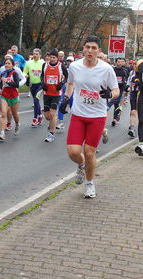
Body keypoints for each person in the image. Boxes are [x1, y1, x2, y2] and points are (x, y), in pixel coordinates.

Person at [59, 35, 118, 198]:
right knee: (73, 152)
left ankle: (90, 184)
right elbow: (70, 83)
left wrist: (110, 94)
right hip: (78, 114)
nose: (90, 50)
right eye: (87, 47)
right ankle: (82, 164)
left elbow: (116, 90)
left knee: (90, 151)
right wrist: (66, 98)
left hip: (97, 116)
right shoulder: (75, 67)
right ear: (83, 49)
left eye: (94, 48)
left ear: (99, 51)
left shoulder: (106, 69)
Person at [41, 49, 68, 142]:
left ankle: (51, 135)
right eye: (51, 57)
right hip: (46, 93)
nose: (52, 59)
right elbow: (41, 75)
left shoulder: (61, 66)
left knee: (52, 113)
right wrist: (42, 83)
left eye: (54, 57)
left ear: (57, 58)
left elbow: (67, 76)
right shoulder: (45, 65)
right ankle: (53, 121)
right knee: (47, 116)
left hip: (56, 93)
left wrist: (62, 83)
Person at [0, 56, 23, 141]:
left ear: (12, 65)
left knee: (14, 114)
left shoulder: (15, 73)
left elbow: (16, 84)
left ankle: (17, 124)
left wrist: (7, 81)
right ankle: (2, 133)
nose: (7, 65)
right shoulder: (3, 73)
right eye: (6, 63)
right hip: (5, 96)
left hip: (14, 96)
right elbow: (1, 83)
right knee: (4, 113)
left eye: (9, 64)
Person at [24, 48, 45, 127]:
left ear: (40, 55)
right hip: (32, 85)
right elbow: (24, 72)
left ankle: (35, 118)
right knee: (36, 101)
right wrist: (25, 75)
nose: (35, 55)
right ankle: (40, 115)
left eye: (37, 54)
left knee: (36, 101)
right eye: (34, 54)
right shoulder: (29, 63)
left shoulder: (43, 63)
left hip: (40, 85)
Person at [108, 57, 129, 127]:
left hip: (121, 89)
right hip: (113, 88)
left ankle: (114, 118)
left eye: (121, 62)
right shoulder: (112, 70)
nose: (120, 63)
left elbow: (126, 80)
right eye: (119, 62)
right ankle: (117, 113)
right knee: (115, 103)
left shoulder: (124, 71)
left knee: (116, 102)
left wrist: (125, 87)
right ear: (115, 62)